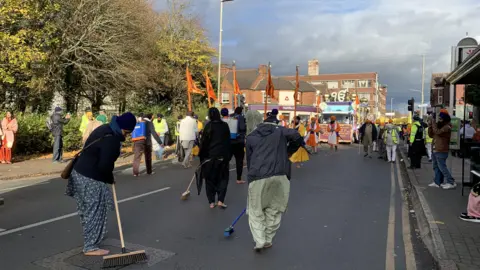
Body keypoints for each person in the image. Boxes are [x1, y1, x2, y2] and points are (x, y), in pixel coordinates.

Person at [66, 112, 136, 256]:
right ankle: (90, 246)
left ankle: (90, 238)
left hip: (79, 173)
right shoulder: (113, 140)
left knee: (86, 210)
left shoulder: (105, 128)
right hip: (91, 178)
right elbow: (105, 165)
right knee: (95, 211)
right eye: (128, 132)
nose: (127, 135)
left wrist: (109, 176)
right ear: (124, 128)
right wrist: (109, 178)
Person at [246, 113, 305, 251]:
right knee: (274, 209)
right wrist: (289, 151)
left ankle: (260, 240)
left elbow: (250, 161)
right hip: (281, 173)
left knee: (256, 210)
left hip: (259, 175)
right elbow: (297, 136)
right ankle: (268, 239)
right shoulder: (279, 131)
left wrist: (251, 178)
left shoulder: (251, 137)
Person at [199, 108, 231, 209]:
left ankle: (211, 202)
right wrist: (228, 157)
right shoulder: (224, 126)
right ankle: (221, 200)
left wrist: (202, 158)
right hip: (222, 157)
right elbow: (228, 142)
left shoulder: (208, 126)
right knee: (223, 179)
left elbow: (203, 143)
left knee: (210, 180)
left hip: (209, 158)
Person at [428, 109, 456, 189]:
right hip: (435, 149)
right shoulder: (439, 126)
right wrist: (430, 125)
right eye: (439, 118)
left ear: (445, 119)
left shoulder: (447, 127)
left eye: (440, 118)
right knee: (436, 166)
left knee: (442, 167)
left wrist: (433, 123)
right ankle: (437, 182)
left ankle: (451, 182)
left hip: (441, 150)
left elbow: (437, 132)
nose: (439, 120)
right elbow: (431, 135)